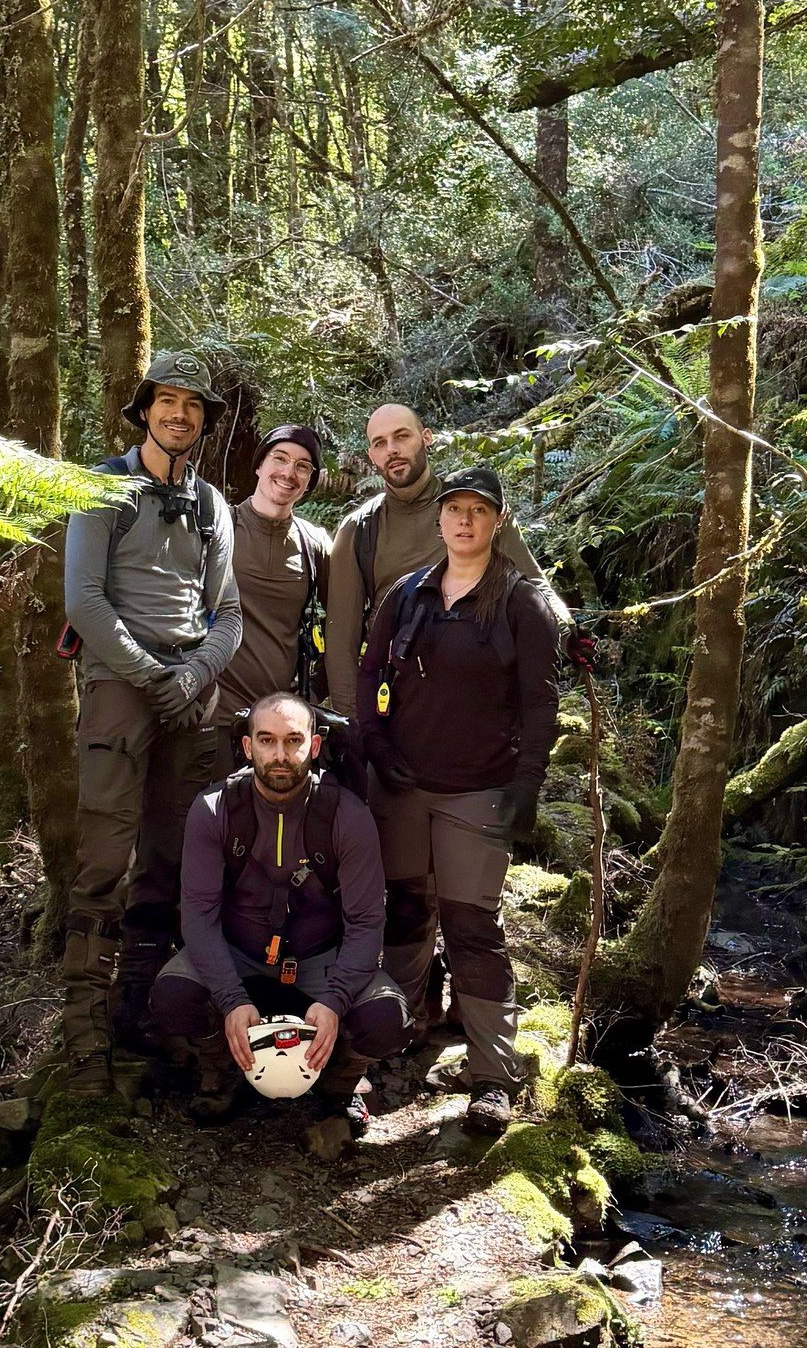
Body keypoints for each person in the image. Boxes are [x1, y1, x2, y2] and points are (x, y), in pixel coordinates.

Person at [357, 465, 559, 1136]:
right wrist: (376, 746)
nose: (465, 521)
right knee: (406, 918)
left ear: (498, 521)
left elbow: (539, 703)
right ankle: (394, 1044)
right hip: (404, 790)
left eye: (479, 510)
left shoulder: (521, 602)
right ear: (439, 519)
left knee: (472, 929)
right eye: (454, 510)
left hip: (479, 792)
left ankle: (492, 1077)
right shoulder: (406, 594)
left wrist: (526, 785)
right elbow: (368, 673)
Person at [60, 351, 244, 1093]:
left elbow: (226, 612)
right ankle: (82, 1033)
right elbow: (83, 599)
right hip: (121, 687)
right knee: (105, 855)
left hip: (189, 696)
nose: (179, 414)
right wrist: (150, 675)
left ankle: (142, 1009)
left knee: (172, 859)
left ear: (203, 421)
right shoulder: (104, 487)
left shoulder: (212, 506)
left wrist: (195, 675)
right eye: (166, 401)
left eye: (192, 405)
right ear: (144, 411)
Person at [151, 692, 409, 1132]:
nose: (280, 755)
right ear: (248, 748)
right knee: (173, 995)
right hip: (237, 955)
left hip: (321, 962)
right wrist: (231, 999)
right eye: (267, 741)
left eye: (293, 741)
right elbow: (198, 915)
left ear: (314, 745)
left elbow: (367, 922)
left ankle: (341, 1084)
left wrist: (335, 998)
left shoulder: (347, 814)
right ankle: (220, 1071)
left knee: (387, 1019)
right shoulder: (213, 810)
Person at [325, 403, 560, 733]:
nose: (392, 450)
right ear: (371, 455)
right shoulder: (359, 530)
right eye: (380, 443)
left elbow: (533, 583)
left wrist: (567, 627)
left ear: (426, 438)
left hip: (485, 699)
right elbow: (340, 643)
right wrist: (356, 731)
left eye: (402, 437)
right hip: (397, 705)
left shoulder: (476, 509)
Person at [214, 424, 331, 778]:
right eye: (279, 458)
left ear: (310, 481)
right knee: (208, 822)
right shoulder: (219, 528)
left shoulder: (316, 545)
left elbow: (345, 625)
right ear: (259, 465)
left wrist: (314, 694)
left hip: (281, 728)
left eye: (303, 466)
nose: (288, 472)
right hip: (213, 717)